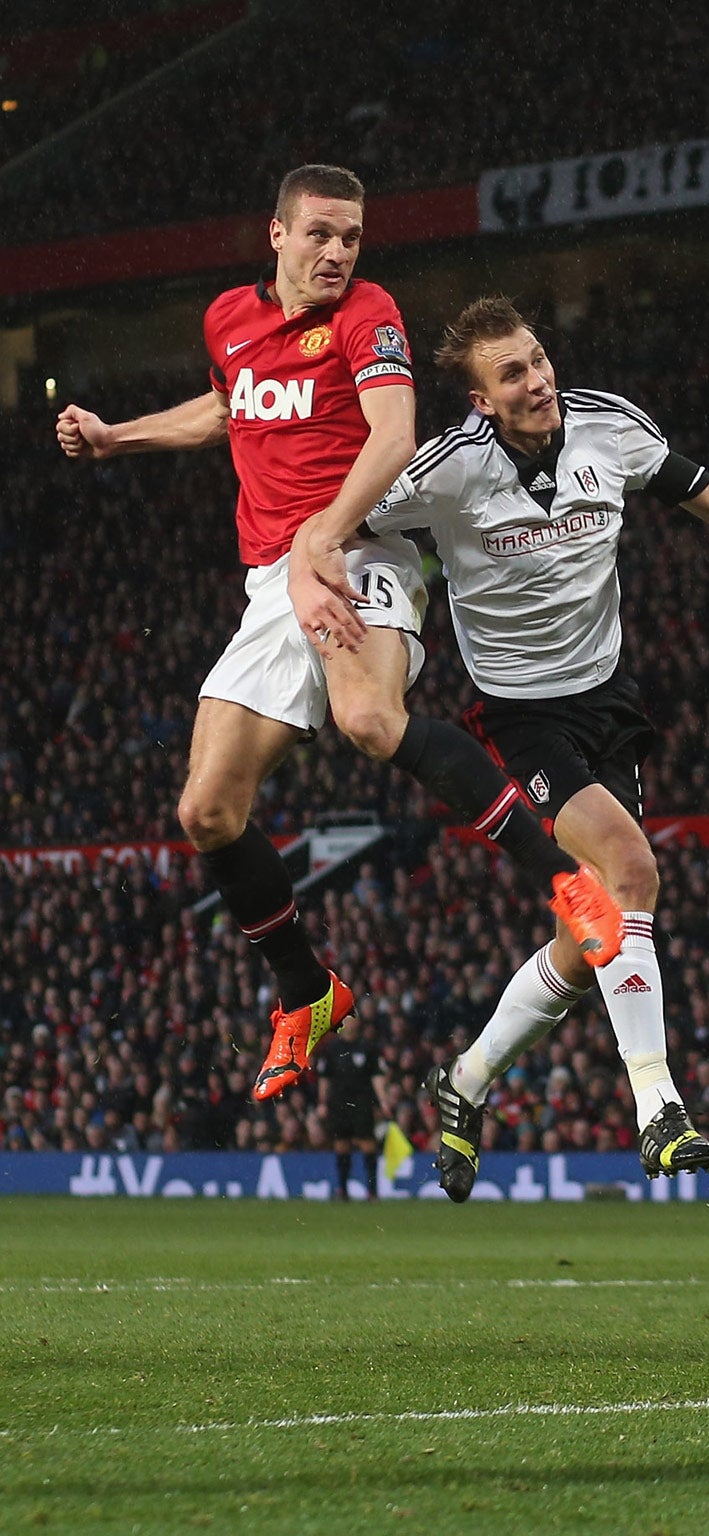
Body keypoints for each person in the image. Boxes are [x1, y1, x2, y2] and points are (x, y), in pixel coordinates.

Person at [54, 164, 620, 1105]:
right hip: (274, 579)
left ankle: (567, 882)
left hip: (360, 548)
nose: (337, 253)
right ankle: (307, 992)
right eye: (319, 234)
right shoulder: (229, 318)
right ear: (275, 235)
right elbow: (232, 405)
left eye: (351, 237)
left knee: (367, 719)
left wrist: (320, 540)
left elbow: (393, 437)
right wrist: (119, 438)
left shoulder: (367, 314)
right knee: (206, 811)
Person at [301, 296, 709, 1190]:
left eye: (538, 359)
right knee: (632, 873)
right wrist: (314, 559)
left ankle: (466, 1078)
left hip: (611, 700)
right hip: (521, 716)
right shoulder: (440, 472)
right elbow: (343, 513)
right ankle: (658, 1105)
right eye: (514, 374)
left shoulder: (611, 429)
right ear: (481, 401)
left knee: (593, 927)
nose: (539, 380)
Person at [321, 1013, 384, 1201]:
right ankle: (342, 1189)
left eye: (353, 1018)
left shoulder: (367, 1047)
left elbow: (377, 1076)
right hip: (338, 1102)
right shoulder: (332, 1048)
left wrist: (383, 1101)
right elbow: (325, 1078)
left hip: (362, 1102)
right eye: (347, 1019)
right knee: (341, 1144)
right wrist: (322, 1103)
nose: (350, 1022)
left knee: (367, 1142)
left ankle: (372, 1191)